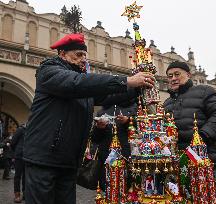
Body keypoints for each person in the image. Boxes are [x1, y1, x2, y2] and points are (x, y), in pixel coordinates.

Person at [23, 33, 155, 204]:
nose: (83, 60)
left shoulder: (83, 85)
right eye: (78, 55)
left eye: (85, 56)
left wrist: (137, 88)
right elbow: (76, 83)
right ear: (62, 54)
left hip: (68, 161)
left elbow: (108, 95)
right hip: (44, 159)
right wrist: (126, 81)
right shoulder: (49, 71)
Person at [163, 61, 216, 187]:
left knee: (205, 196)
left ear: (188, 75)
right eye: (170, 76)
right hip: (175, 162)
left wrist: (201, 137)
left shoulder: (204, 91)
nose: (173, 78)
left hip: (201, 158)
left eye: (177, 74)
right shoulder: (166, 103)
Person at [93, 101, 137, 191]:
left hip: (127, 156)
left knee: (128, 188)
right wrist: (99, 128)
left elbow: (140, 130)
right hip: (106, 157)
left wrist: (128, 122)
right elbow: (95, 139)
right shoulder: (102, 111)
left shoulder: (133, 108)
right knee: (107, 189)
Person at [11, 124, 26, 203]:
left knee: (26, 176)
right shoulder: (20, 130)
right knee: (18, 175)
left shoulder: (31, 130)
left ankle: (25, 194)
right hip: (19, 156)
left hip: (28, 156)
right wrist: (16, 152)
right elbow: (13, 143)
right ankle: (17, 195)